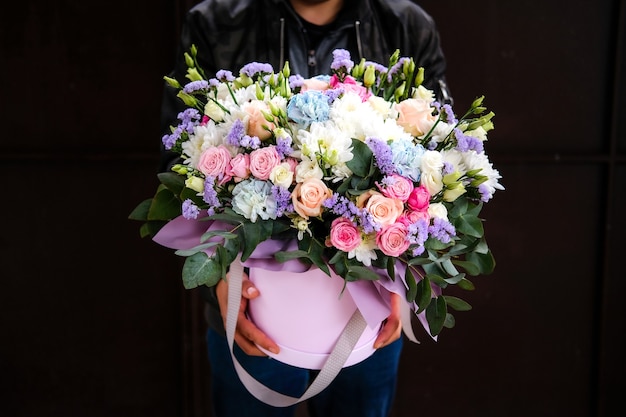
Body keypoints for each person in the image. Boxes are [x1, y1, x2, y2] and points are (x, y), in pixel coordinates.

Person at [159, 1, 452, 416]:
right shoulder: (215, 23)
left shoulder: (405, 26)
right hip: (252, 312)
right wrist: (220, 281)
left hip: (369, 314)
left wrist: (410, 280)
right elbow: (179, 169)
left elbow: (444, 160)